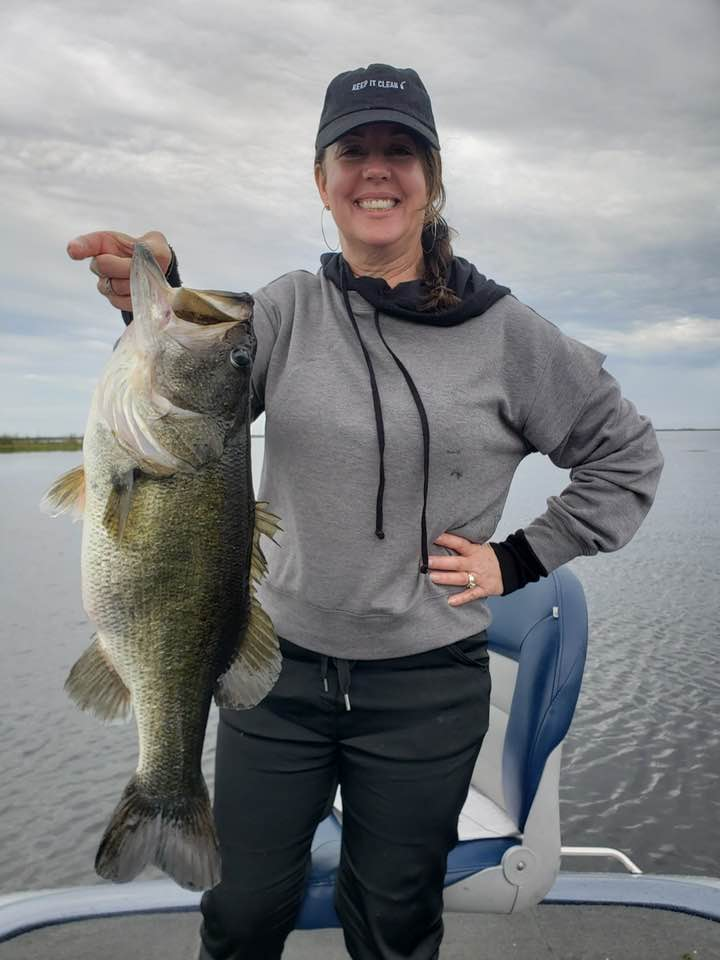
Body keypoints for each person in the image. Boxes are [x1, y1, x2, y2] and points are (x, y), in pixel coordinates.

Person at [67, 63, 664, 960]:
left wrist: (521, 558)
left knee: (393, 923)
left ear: (432, 177)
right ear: (322, 179)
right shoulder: (286, 311)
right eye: (354, 151)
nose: (376, 170)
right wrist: (154, 284)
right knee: (240, 914)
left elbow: (628, 457)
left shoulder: (510, 335)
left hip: (424, 688)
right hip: (273, 679)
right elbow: (194, 376)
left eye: (400, 151)